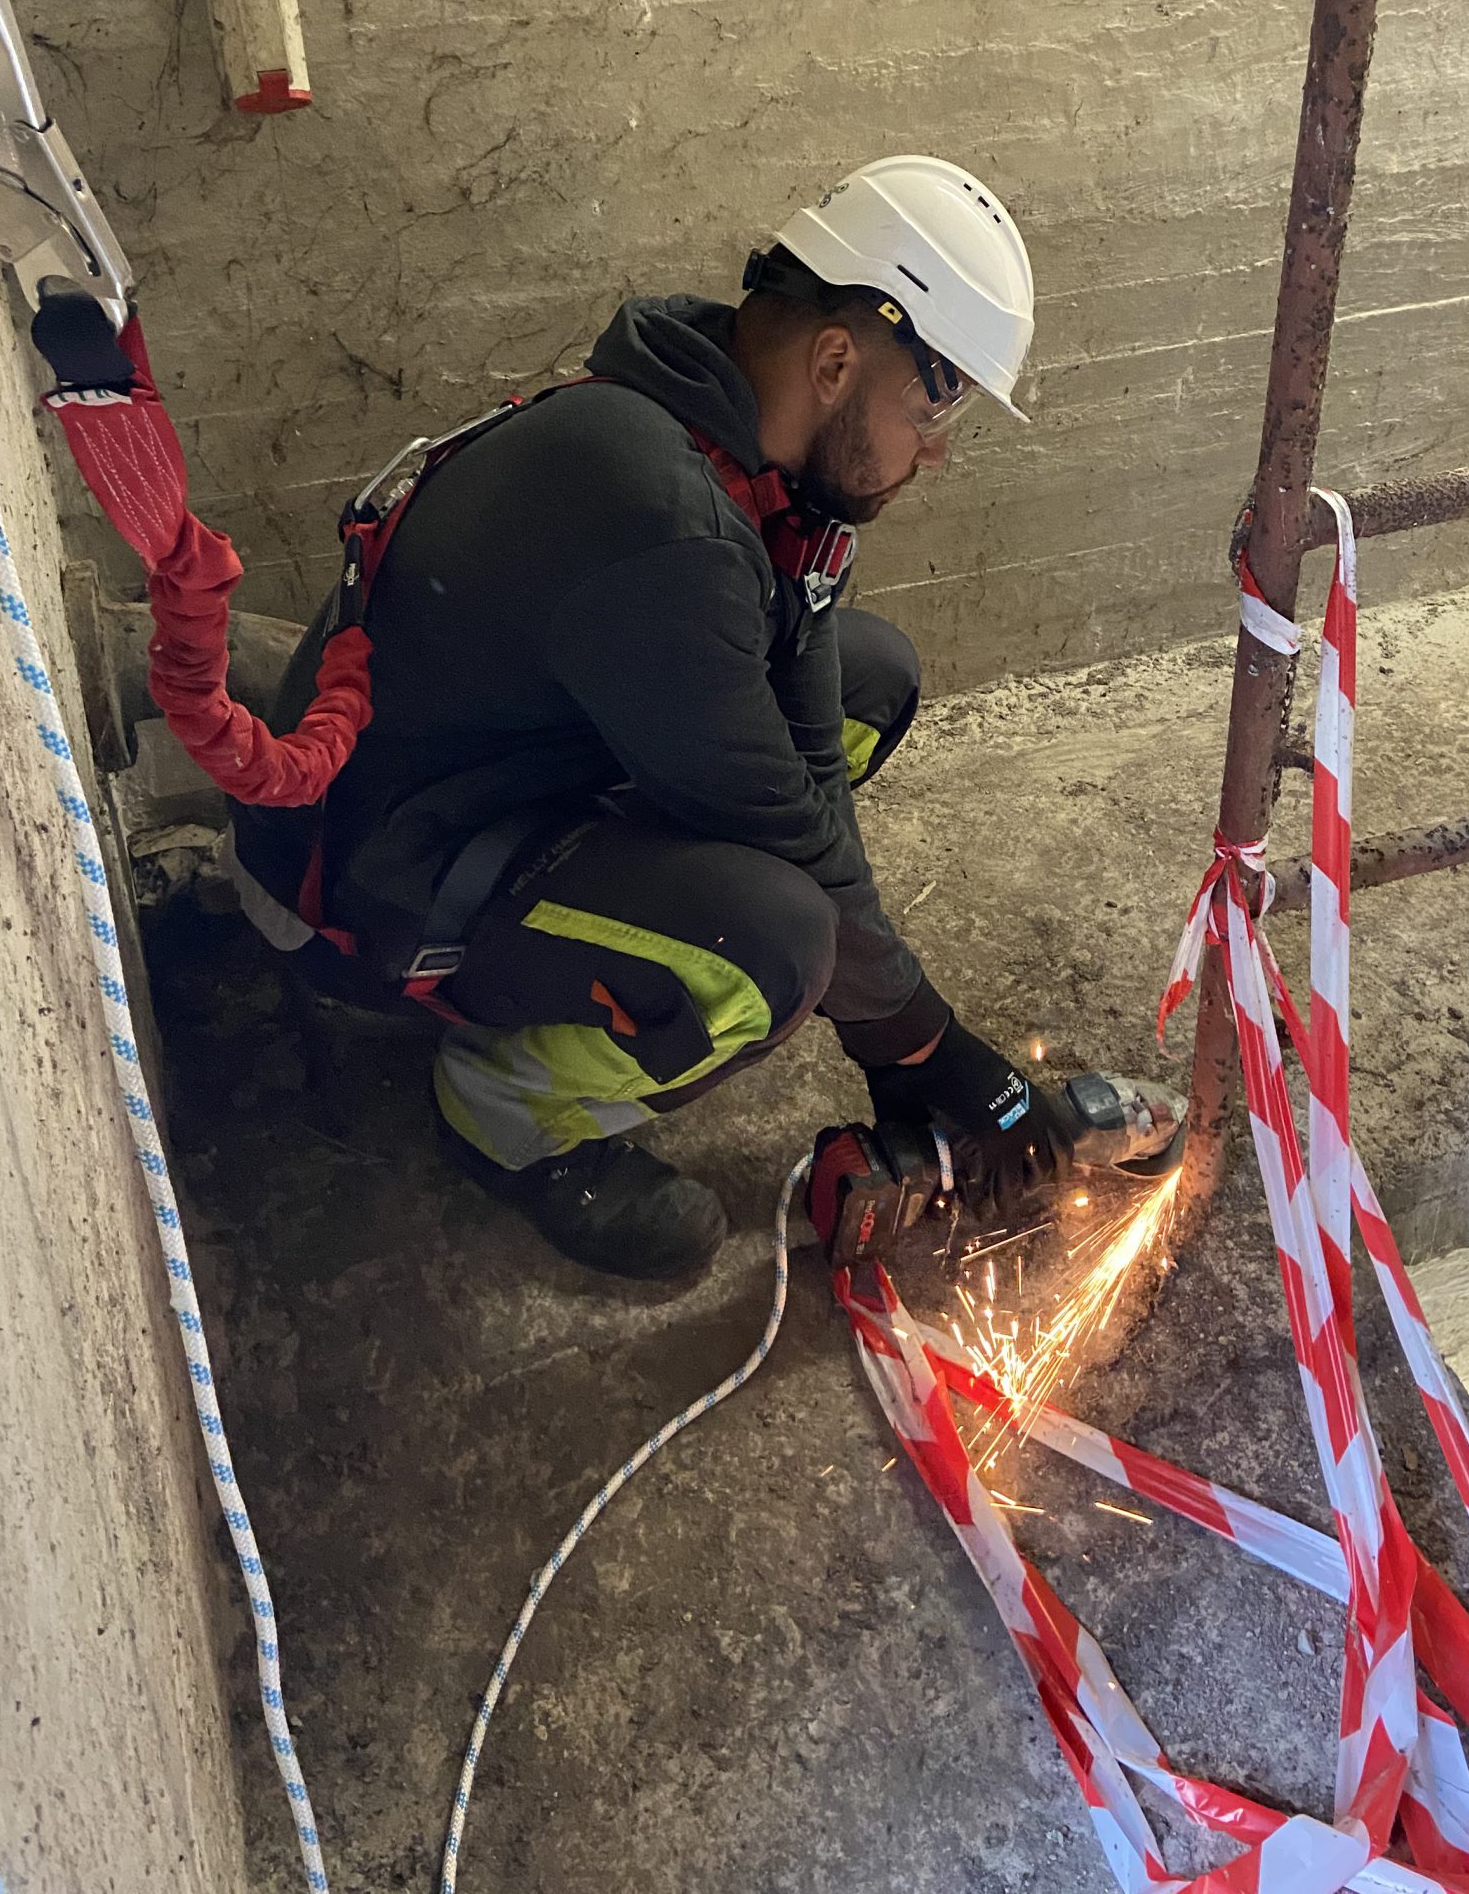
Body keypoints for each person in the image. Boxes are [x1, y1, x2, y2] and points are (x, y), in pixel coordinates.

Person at [229, 156, 1072, 1279]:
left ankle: (622, 944)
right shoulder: (656, 517)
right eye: (936, 401)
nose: (938, 448)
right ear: (835, 360)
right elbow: (780, 823)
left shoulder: (740, 456)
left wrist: (899, 1035)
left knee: (873, 673)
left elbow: (812, 747)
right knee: (775, 944)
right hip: (365, 880)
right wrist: (925, 1039)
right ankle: (505, 1105)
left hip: (507, 780)